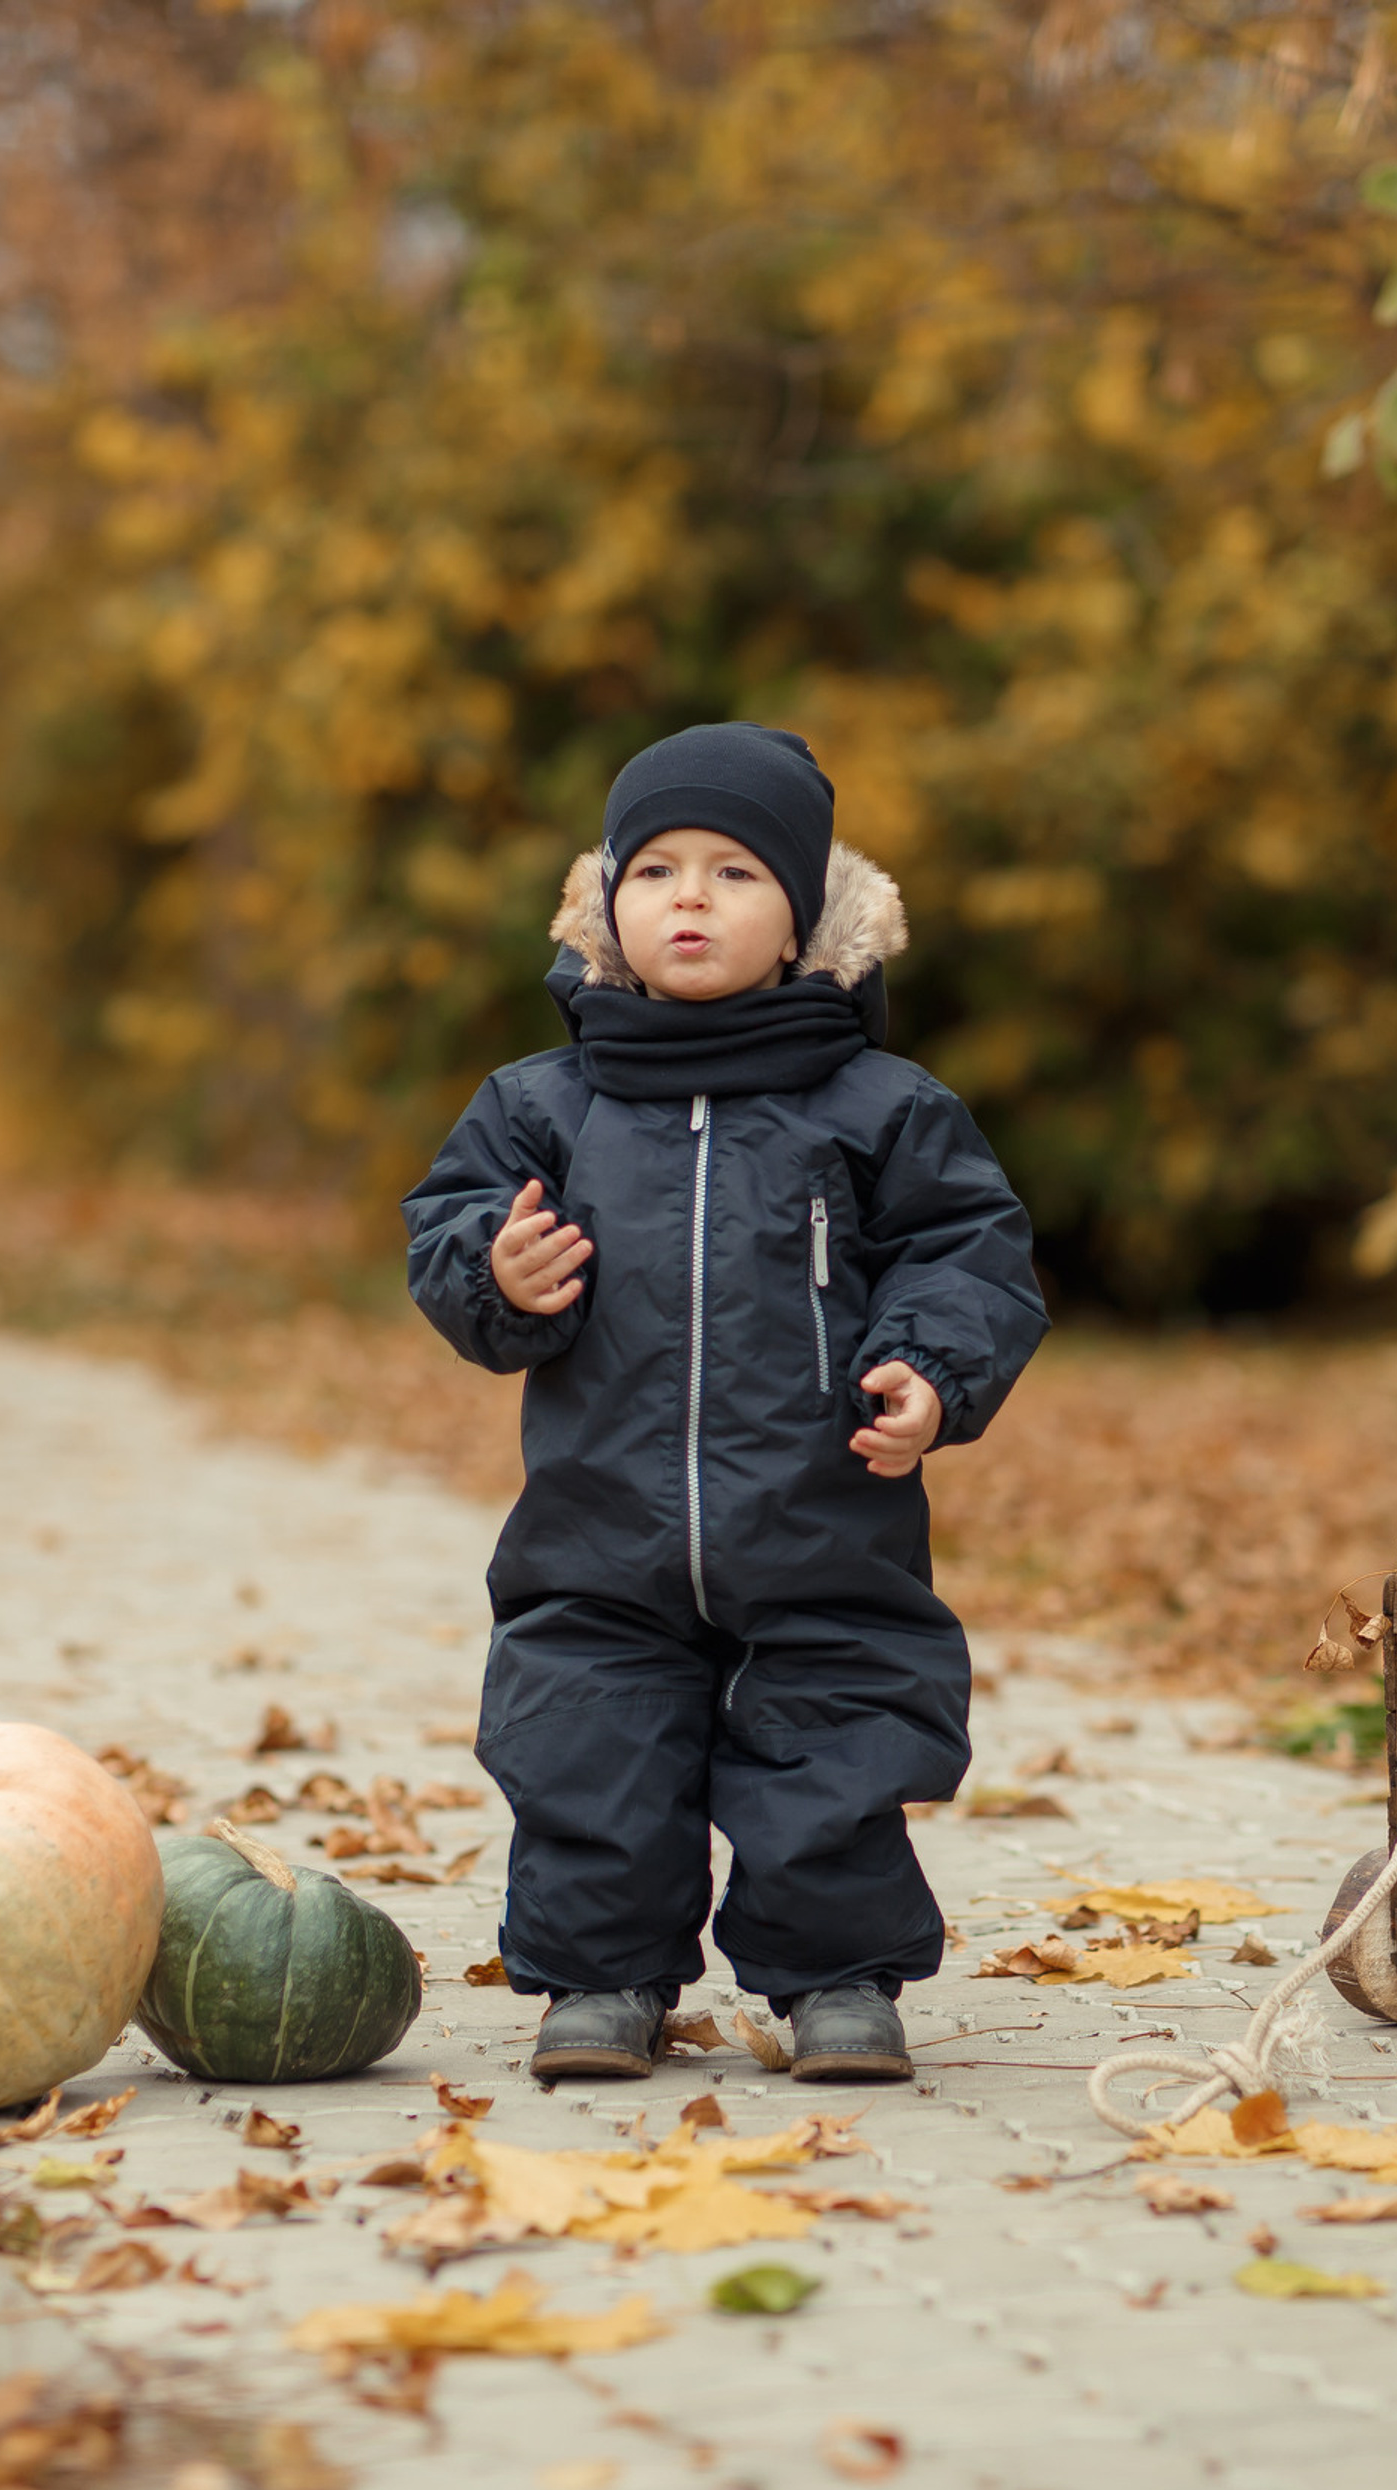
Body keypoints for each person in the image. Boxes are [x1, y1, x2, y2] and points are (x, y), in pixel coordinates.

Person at [403, 722, 1048, 2083]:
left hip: (821, 1515)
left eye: (737, 872)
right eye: (658, 870)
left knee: (838, 1736)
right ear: (610, 907)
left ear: (807, 918)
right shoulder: (545, 1107)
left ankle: (835, 1982)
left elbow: (968, 1254)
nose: (690, 897)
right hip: (601, 1520)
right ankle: (599, 1979)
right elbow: (450, 1226)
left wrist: (931, 1371)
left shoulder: (879, 1107)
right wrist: (497, 1273)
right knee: (589, 1741)